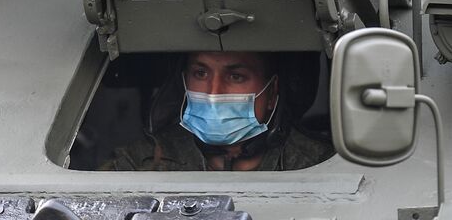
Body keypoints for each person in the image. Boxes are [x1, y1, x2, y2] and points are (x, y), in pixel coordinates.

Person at [101, 51, 334, 171]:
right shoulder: (137, 163)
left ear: (272, 93)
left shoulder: (319, 166)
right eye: (200, 74)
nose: (213, 92)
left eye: (236, 76)